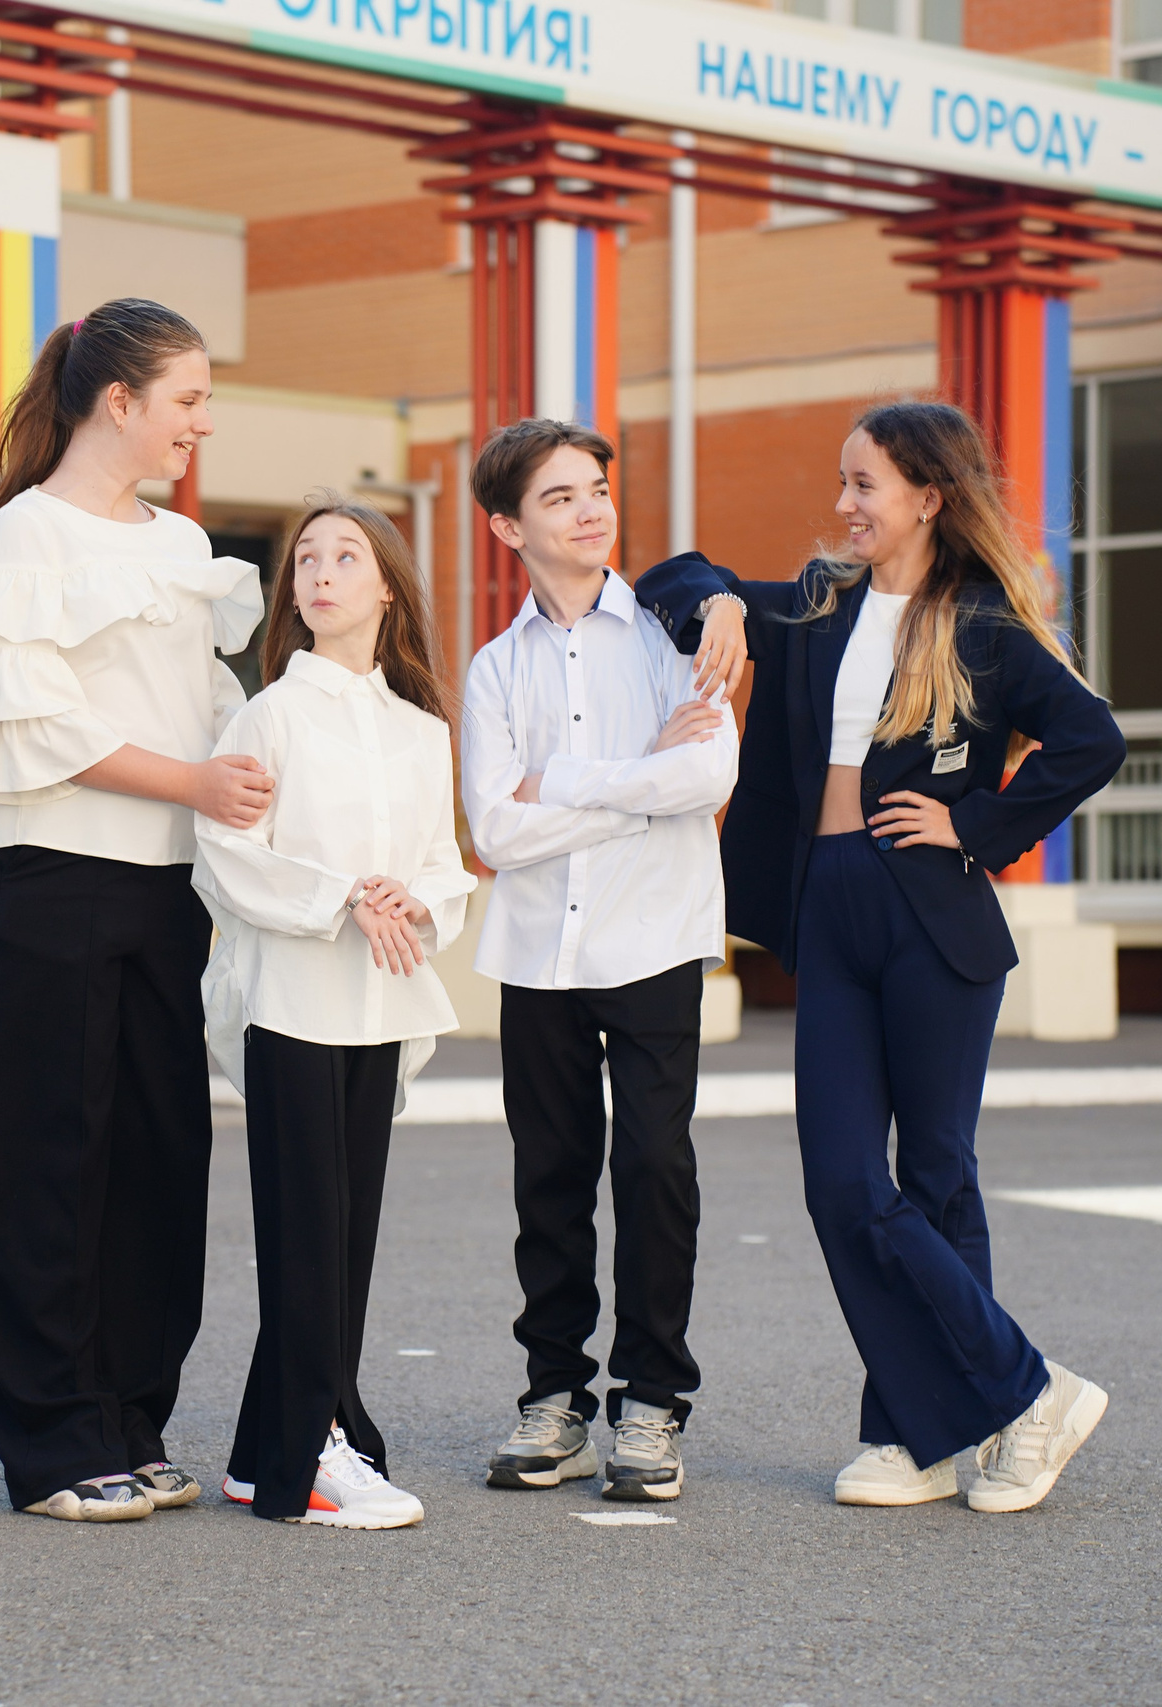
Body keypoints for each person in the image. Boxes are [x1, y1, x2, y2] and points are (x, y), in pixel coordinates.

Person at [634, 399, 1126, 1514]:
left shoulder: (985, 625)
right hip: (829, 912)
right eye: (843, 481)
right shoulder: (816, 606)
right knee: (843, 1181)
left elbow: (1091, 739)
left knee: (937, 1177)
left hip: (929, 909)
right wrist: (715, 598)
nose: (845, 504)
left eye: (864, 485)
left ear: (925, 498)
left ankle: (912, 1435)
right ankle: (1025, 1396)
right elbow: (672, 575)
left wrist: (980, 827)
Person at [0, 298, 268, 1523]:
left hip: (166, 887)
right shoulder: (25, 533)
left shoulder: (181, 547)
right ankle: (54, 1441)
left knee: (160, 1159)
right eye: (186, 400)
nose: (201, 423)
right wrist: (190, 781)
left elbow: (209, 712)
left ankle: (130, 1415)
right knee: (50, 1159)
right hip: (53, 878)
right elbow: (39, 725)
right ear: (116, 403)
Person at [459, 418, 737, 1504]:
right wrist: (628, 783)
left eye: (595, 489)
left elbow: (704, 779)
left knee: (657, 1169)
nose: (590, 510)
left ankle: (654, 1403)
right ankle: (556, 1397)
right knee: (551, 1179)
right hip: (534, 953)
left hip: (655, 940)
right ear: (506, 527)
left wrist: (563, 782)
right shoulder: (492, 668)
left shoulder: (672, 634)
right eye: (560, 497)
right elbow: (493, 830)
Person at [194, 494, 476, 1529]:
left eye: (343, 556)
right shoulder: (265, 714)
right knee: (305, 1237)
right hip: (292, 1001)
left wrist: (412, 899)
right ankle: (309, 1456)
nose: (317, 572)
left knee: (345, 1238)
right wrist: (340, 897)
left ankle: (260, 1446)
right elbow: (225, 858)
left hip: (381, 1004)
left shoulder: (420, 730)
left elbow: (446, 869)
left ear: (386, 586)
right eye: (303, 558)